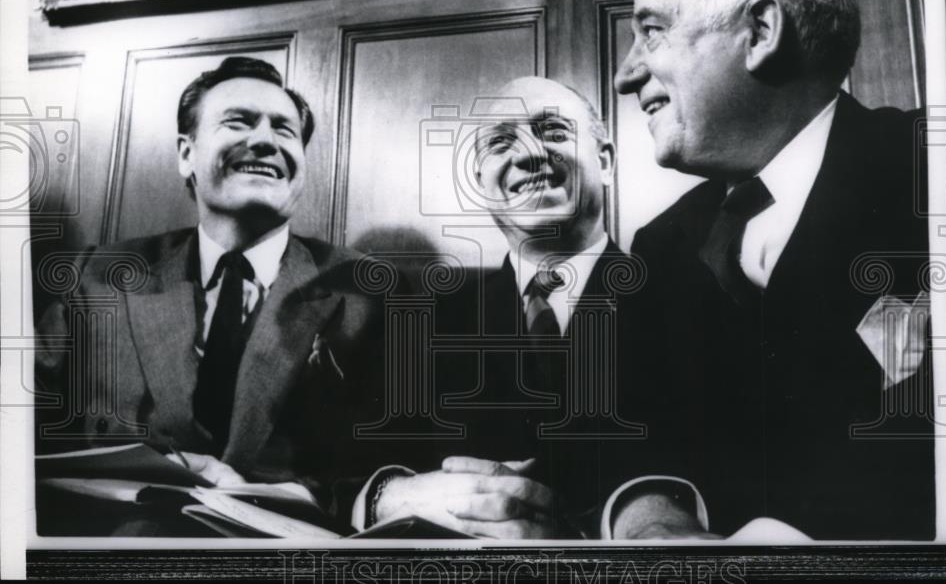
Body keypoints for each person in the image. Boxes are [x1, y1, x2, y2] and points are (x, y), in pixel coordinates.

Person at [608, 0, 935, 540]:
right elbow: (632, 440)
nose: (626, 74)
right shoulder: (660, 247)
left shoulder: (944, 180)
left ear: (759, 31)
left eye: (651, 31)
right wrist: (647, 517)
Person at [34, 56, 384, 534]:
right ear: (186, 154)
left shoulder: (368, 290)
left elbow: (393, 463)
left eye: (285, 130)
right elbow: (23, 427)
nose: (265, 140)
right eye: (238, 121)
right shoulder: (97, 277)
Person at [354, 76, 650, 538]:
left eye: (553, 132)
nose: (528, 154)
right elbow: (352, 469)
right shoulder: (424, 323)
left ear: (606, 161)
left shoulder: (678, 297)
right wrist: (389, 495)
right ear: (480, 182)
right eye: (500, 143)